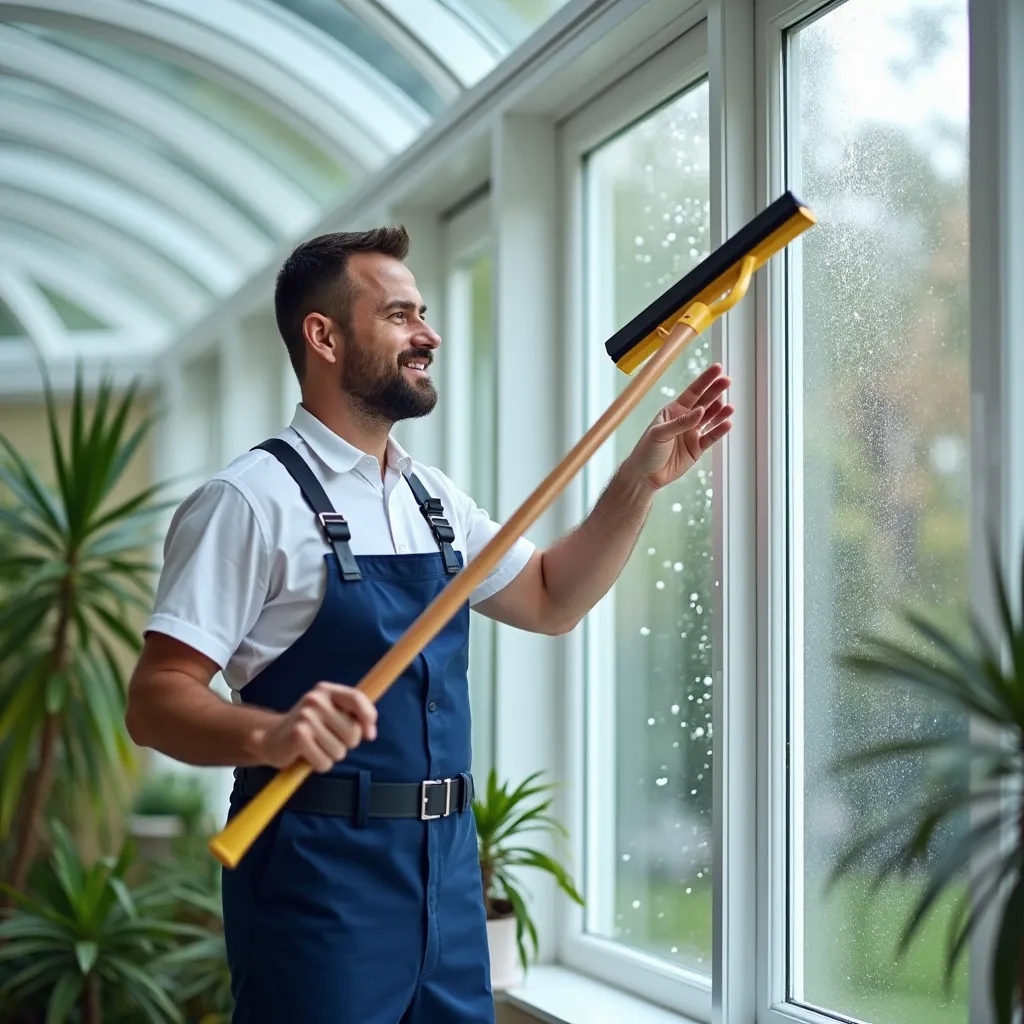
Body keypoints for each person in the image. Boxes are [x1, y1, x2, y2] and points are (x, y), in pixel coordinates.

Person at [124, 226, 733, 1024]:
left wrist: (640, 481)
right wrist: (270, 735)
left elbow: (551, 598)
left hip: (447, 877)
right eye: (402, 315)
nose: (429, 334)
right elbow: (156, 698)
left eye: (424, 314)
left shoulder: (432, 500)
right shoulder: (248, 501)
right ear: (324, 336)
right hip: (317, 878)